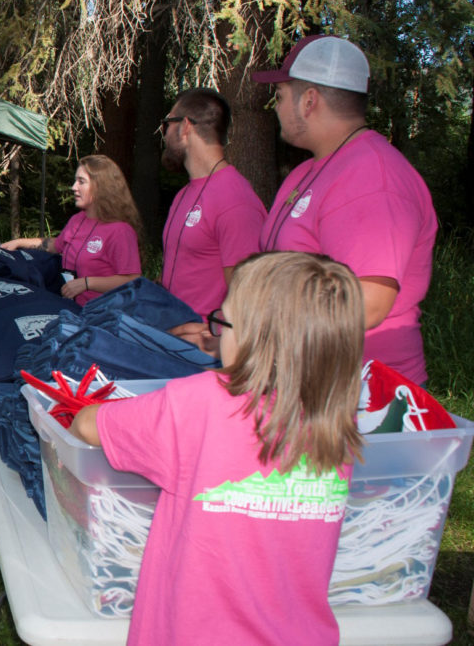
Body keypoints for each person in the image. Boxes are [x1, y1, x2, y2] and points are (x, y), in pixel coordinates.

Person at [70, 251, 365, 645]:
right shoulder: (335, 421)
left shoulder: (199, 403)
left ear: (252, 335)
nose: (216, 332)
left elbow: (88, 426)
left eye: (222, 321)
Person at [253, 34, 438, 385]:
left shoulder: (373, 176)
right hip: (308, 384)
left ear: (309, 101)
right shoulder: (308, 172)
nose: (276, 108)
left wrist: (255, 324)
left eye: (280, 97)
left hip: (361, 401)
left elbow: (368, 302)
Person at [158, 88, 265, 318]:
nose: (164, 133)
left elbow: (247, 298)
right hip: (170, 340)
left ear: (185, 126)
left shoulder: (236, 201)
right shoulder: (184, 194)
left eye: (167, 123)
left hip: (206, 350)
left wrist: (212, 338)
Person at [1, 154, 141, 307]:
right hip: (72, 310)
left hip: (104, 316)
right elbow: (55, 245)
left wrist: (87, 283)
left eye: (81, 182)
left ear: (101, 186)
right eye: (75, 181)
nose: (74, 187)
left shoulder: (120, 230)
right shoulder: (77, 220)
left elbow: (132, 279)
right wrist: (18, 242)